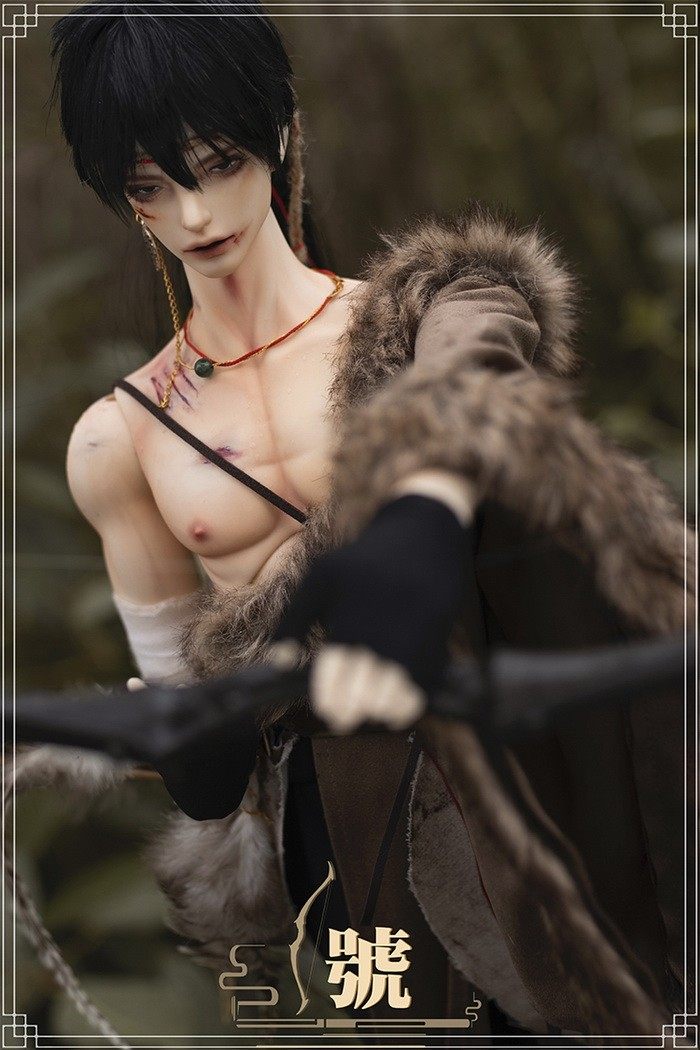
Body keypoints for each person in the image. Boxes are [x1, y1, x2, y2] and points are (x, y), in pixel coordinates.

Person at [29, 0, 691, 1040]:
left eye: (220, 162)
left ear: (278, 134)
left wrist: (422, 508)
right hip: (337, 812)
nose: (195, 214)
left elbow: (473, 375)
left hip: (507, 748)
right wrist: (179, 736)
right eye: (151, 185)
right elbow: (193, 736)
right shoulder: (119, 439)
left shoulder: (421, 314)